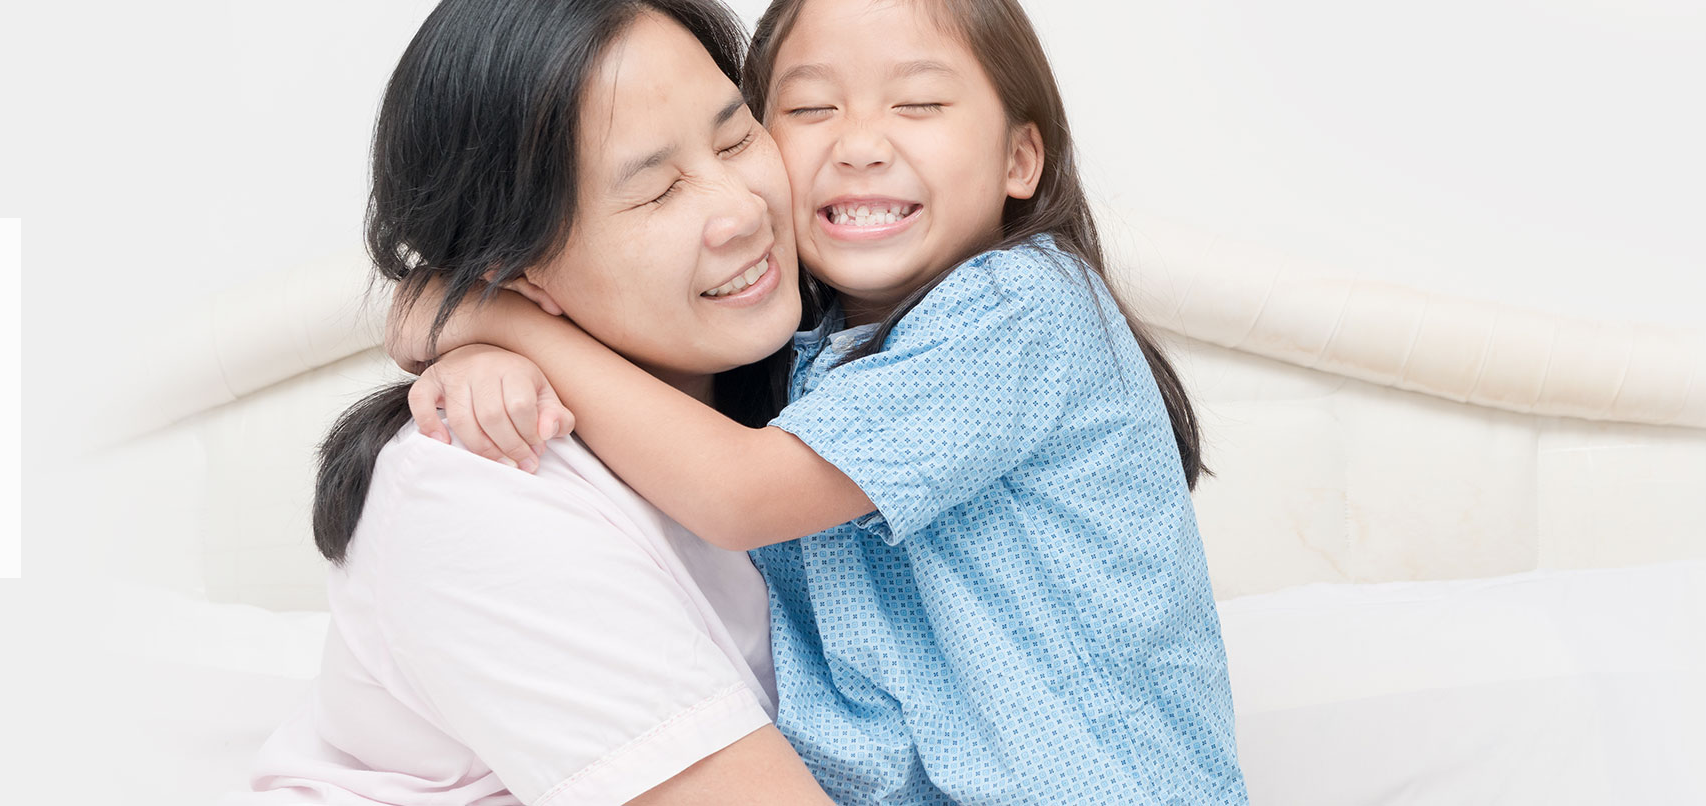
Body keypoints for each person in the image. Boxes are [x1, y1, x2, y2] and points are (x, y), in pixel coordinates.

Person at [396, 0, 1248, 801]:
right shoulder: (794, 360)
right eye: (807, 112)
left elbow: (739, 494)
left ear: (1021, 159)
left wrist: (501, 322)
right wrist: (483, 357)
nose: (861, 145)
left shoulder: (1021, 306)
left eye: (918, 104)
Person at [230, 1, 832, 804]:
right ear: (519, 270)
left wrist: (488, 321)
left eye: (735, 137)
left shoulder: (822, 385)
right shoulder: (477, 488)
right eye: (655, 192)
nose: (745, 210)